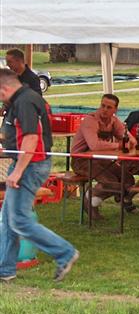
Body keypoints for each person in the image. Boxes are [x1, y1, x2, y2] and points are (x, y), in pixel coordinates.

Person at [0, 68, 79, 283]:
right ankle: (5, 269)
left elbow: (31, 138)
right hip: (25, 163)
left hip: (30, 166)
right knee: (9, 220)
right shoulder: (23, 98)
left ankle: (65, 252)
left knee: (19, 220)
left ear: (4, 88)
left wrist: (17, 171)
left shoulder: (25, 101)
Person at [71, 94, 137, 218]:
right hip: (81, 160)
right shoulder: (90, 121)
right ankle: (90, 201)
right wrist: (119, 145)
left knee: (128, 179)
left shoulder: (114, 121)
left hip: (102, 159)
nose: (105, 109)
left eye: (109, 107)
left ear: (115, 109)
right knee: (111, 182)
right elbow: (94, 145)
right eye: (103, 105)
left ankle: (93, 197)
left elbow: (132, 140)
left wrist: (127, 142)